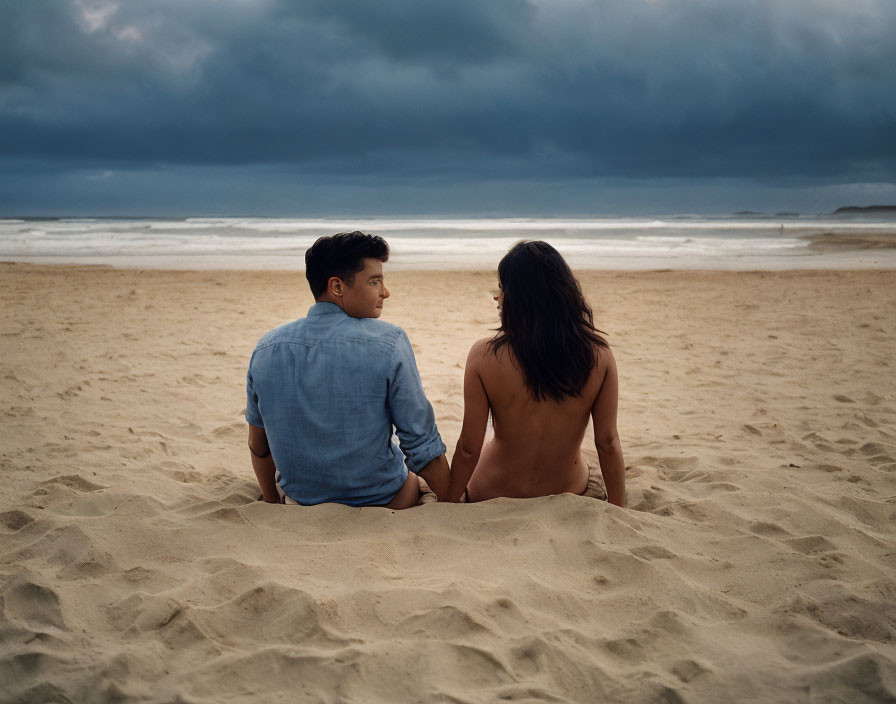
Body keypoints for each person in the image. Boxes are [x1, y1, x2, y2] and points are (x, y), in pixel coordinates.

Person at [245, 231, 450, 509]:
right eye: (374, 281)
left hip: (302, 502)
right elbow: (420, 444)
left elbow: (259, 446)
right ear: (337, 287)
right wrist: (453, 502)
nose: (385, 292)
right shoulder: (389, 341)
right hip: (384, 500)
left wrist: (271, 499)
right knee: (411, 478)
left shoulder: (267, 347)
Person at [446, 240, 626, 507]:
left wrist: (448, 501)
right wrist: (619, 506)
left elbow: (468, 448)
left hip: (492, 489)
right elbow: (607, 442)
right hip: (565, 489)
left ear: (518, 296)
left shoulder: (484, 355)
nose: (497, 296)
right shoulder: (599, 354)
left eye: (502, 287)